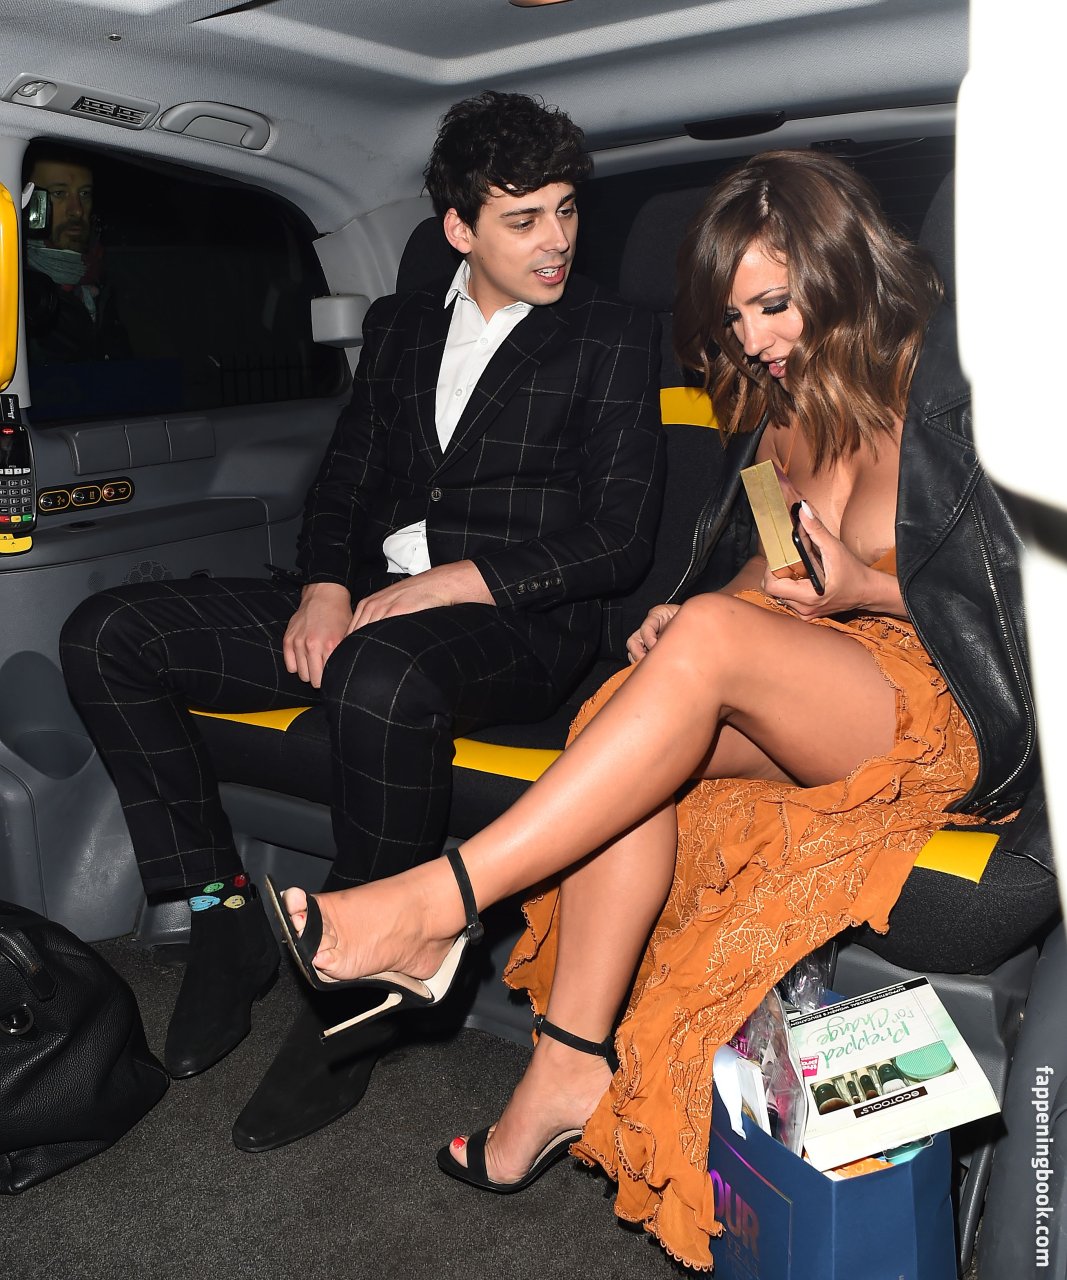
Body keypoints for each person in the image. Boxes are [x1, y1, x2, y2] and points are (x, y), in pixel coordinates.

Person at [268, 150, 1039, 1269]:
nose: (756, 339)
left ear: (841, 267)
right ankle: (566, 1066)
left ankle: (438, 903)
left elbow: (1020, 591)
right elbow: (771, 575)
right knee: (632, 698)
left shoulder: (959, 384)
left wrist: (861, 593)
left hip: (942, 703)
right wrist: (687, 623)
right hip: (823, 679)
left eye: (774, 303)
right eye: (735, 319)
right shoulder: (772, 423)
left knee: (707, 643)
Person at [59, 91, 664, 1151]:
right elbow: (345, 478)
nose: (557, 239)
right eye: (524, 218)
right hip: (371, 604)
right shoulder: (398, 326)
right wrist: (323, 585)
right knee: (107, 633)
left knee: (377, 673)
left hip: (516, 627)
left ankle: (363, 985)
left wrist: (457, 581)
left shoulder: (608, 334)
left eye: (567, 210)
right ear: (458, 228)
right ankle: (220, 914)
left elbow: (619, 537)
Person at [23, 146, 129, 364]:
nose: (77, 210)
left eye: (84, 194)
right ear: (29, 203)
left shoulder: (100, 280)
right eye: (59, 193)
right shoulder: (17, 289)